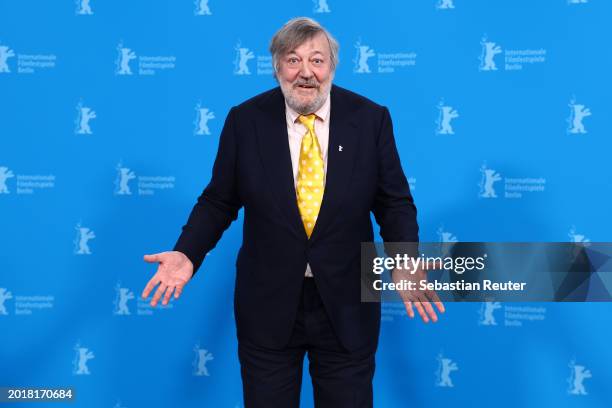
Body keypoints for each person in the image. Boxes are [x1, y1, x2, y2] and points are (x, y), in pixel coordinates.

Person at [141, 17, 444, 408]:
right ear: (277, 67)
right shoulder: (245, 120)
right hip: (267, 305)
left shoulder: (370, 119)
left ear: (332, 67)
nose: (306, 73)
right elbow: (219, 200)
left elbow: (394, 202)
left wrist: (403, 260)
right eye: (293, 60)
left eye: (317, 61)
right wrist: (187, 253)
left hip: (347, 304)